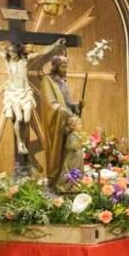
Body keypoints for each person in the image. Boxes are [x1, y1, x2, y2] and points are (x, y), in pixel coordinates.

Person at [0, 30, 65, 155]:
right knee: (20, 118)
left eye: (13, 52)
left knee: (27, 120)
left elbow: (42, 52)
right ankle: (20, 143)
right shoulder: (6, 59)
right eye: (9, 52)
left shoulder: (26, 59)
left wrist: (56, 44)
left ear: (18, 51)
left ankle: (23, 141)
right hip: (13, 94)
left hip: (25, 92)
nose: (11, 54)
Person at [40, 54, 86, 186]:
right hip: (57, 122)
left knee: (73, 150)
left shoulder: (63, 82)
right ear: (55, 66)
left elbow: (67, 103)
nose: (65, 69)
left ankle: (72, 180)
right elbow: (51, 104)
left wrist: (77, 106)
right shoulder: (47, 80)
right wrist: (67, 113)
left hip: (67, 121)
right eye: (62, 66)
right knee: (61, 152)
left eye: (66, 66)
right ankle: (61, 181)